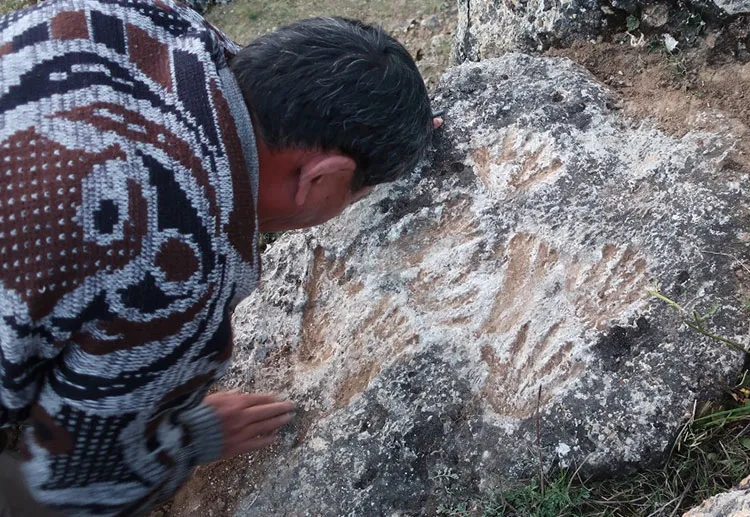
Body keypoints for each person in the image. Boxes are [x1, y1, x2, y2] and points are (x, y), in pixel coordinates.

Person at [0, 0, 438, 515]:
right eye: (355, 194)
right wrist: (181, 439)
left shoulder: (136, 17)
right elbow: (76, 483)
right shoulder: (182, 258)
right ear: (321, 177)